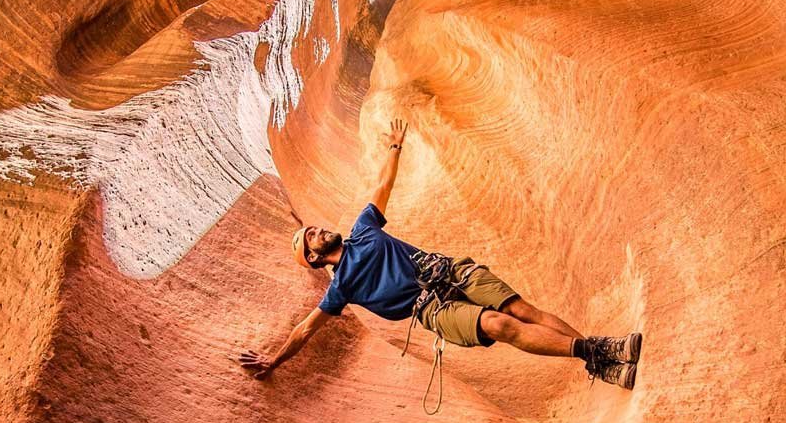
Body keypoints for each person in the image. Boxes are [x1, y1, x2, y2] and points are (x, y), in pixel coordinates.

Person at [238, 118, 642, 402]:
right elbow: (307, 329)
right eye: (311, 236)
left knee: (522, 309)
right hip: (433, 308)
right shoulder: (341, 288)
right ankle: (598, 355)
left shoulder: (362, 228)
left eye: (315, 227)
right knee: (500, 324)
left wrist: (395, 147)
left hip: (448, 270)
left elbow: (383, 183)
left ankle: (599, 357)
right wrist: (274, 359)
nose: (319, 230)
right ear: (313, 257)